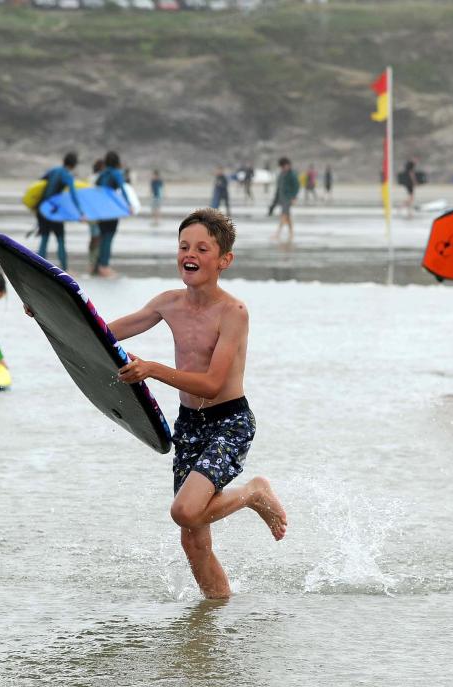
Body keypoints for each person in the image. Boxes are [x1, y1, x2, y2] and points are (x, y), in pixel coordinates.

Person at [101, 208, 287, 598]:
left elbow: (213, 383)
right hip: (190, 424)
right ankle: (214, 617)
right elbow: (100, 332)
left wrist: (152, 369)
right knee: (193, 541)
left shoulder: (232, 313)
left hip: (229, 422)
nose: (191, 254)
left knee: (184, 511)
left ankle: (253, 492)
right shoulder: (168, 303)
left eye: (203, 248)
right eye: (185, 246)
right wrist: (49, 313)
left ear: (224, 260)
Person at [36, 151, 82, 271]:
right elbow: (73, 195)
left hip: (43, 208)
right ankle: (65, 269)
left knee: (44, 238)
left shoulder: (54, 170)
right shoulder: (67, 175)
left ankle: (37, 267)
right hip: (54, 210)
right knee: (60, 239)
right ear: (74, 165)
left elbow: (40, 183)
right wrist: (81, 212)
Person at [94, 150, 129, 278]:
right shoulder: (116, 173)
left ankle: (99, 266)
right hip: (111, 210)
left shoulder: (102, 174)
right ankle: (104, 267)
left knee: (103, 237)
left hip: (100, 211)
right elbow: (123, 188)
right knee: (108, 238)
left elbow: (96, 189)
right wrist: (128, 205)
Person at [271, 157, 300, 243]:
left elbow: (297, 186)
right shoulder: (281, 174)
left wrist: (294, 197)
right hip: (282, 198)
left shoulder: (292, 174)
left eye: (284, 166)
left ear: (287, 165)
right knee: (287, 216)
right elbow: (278, 187)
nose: (283, 168)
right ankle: (291, 233)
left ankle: (278, 233)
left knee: (284, 215)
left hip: (288, 198)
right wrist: (275, 200)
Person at [88, 158, 105, 270]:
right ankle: (92, 264)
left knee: (95, 237)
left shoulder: (91, 178)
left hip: (91, 211)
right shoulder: (98, 178)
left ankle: (93, 264)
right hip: (95, 212)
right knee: (96, 237)